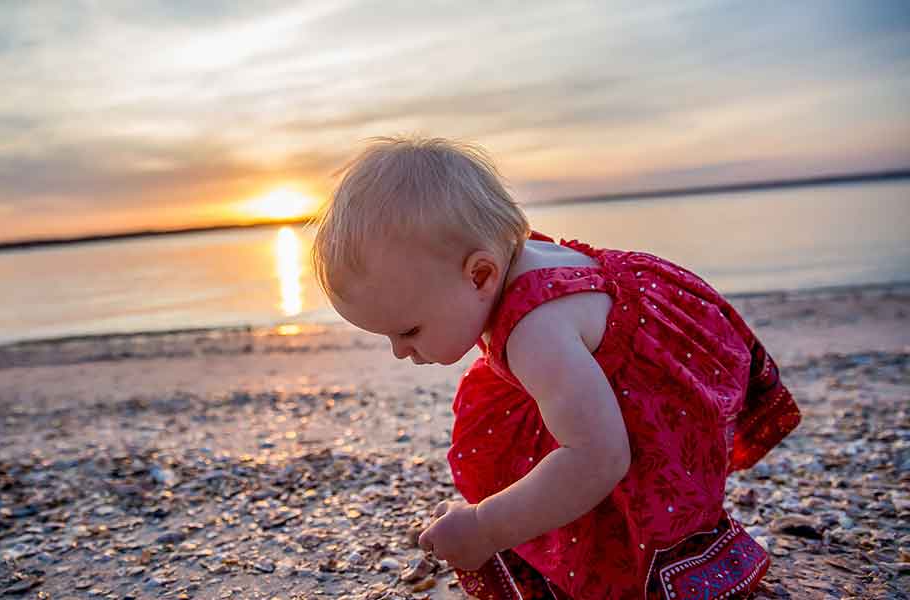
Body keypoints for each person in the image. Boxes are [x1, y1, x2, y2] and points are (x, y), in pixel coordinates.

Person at [311, 136, 801, 599]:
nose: (399, 351)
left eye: (409, 330)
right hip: (624, 359)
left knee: (596, 474)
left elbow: (598, 458)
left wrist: (486, 528)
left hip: (659, 396)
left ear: (479, 275)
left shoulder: (536, 332)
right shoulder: (510, 262)